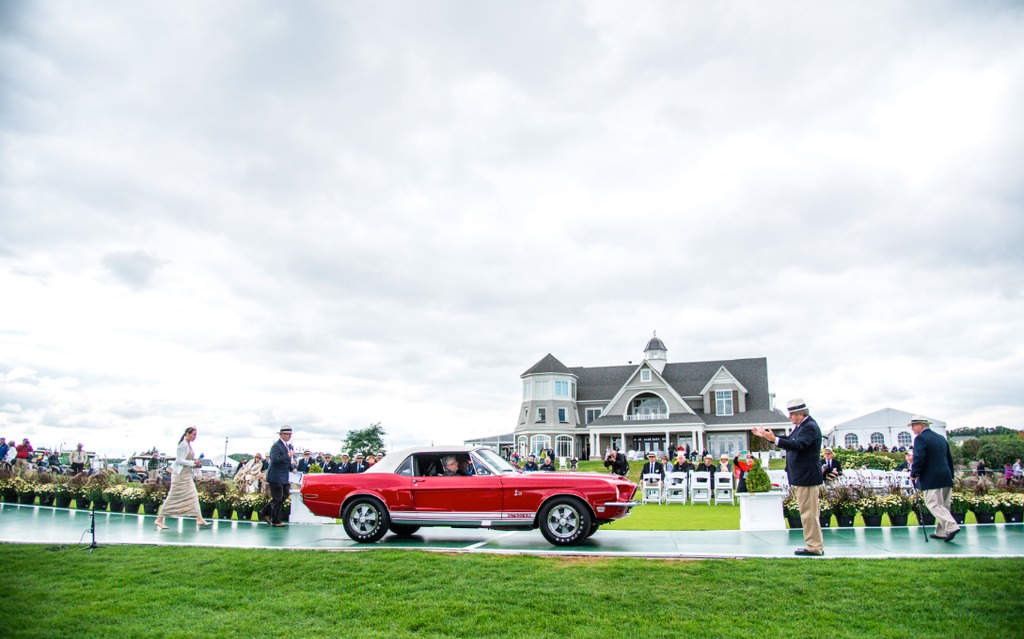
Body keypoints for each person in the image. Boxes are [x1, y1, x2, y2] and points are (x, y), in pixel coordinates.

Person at [753, 398, 824, 556]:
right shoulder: (802, 427)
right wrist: (770, 438)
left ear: (800, 413)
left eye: (792, 414)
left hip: (807, 476)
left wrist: (774, 439)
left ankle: (814, 547)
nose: (790, 417)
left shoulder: (809, 427)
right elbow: (791, 441)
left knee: (809, 514)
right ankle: (814, 545)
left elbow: (798, 445)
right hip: (802, 476)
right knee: (807, 513)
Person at [909, 416, 960, 542]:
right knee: (944, 506)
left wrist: (914, 473)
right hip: (945, 476)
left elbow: (919, 458)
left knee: (934, 504)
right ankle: (941, 532)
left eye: (913, 426)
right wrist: (951, 475)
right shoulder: (941, 438)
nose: (912, 429)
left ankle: (951, 527)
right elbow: (948, 458)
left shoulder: (920, 438)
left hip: (931, 478)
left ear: (920, 425)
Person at [154, 427, 212, 530]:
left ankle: (199, 518)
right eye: (193, 434)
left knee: (193, 495)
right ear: (187, 434)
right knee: (172, 497)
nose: (195, 436)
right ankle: (159, 519)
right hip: (179, 476)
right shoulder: (182, 445)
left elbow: (187, 461)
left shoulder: (189, 445)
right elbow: (180, 460)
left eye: (196, 434)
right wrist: (193, 463)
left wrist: (196, 464)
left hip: (187, 475)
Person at [259, 426, 294, 528]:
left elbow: (287, 461)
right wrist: (287, 455)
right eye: (287, 434)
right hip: (275, 476)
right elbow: (275, 460)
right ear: (281, 435)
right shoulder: (276, 446)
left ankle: (264, 512)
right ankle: (275, 520)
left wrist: (292, 468)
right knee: (278, 498)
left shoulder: (287, 446)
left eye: (290, 434)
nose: (289, 436)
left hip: (283, 476)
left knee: (284, 495)